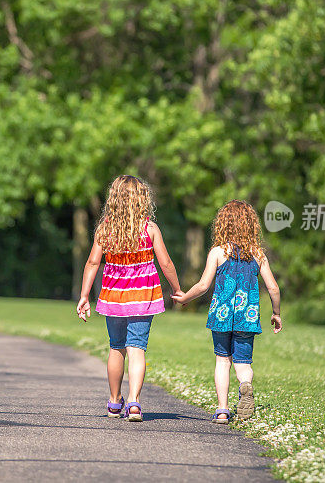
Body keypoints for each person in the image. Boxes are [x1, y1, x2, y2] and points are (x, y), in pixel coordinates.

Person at [77, 175, 181, 422]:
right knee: (137, 348)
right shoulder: (150, 228)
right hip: (143, 295)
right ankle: (134, 402)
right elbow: (165, 263)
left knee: (116, 347)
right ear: (142, 199)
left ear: (113, 200)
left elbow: (93, 262)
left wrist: (84, 296)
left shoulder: (105, 229)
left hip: (114, 296)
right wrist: (177, 289)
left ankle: (114, 402)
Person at [173, 200, 281, 423]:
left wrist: (184, 298)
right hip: (247, 316)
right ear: (251, 225)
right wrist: (276, 312)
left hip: (220, 316)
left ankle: (222, 410)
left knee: (222, 361)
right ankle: (245, 385)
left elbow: (203, 286)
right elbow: (273, 287)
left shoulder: (217, 252)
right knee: (243, 362)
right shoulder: (258, 255)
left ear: (223, 225)